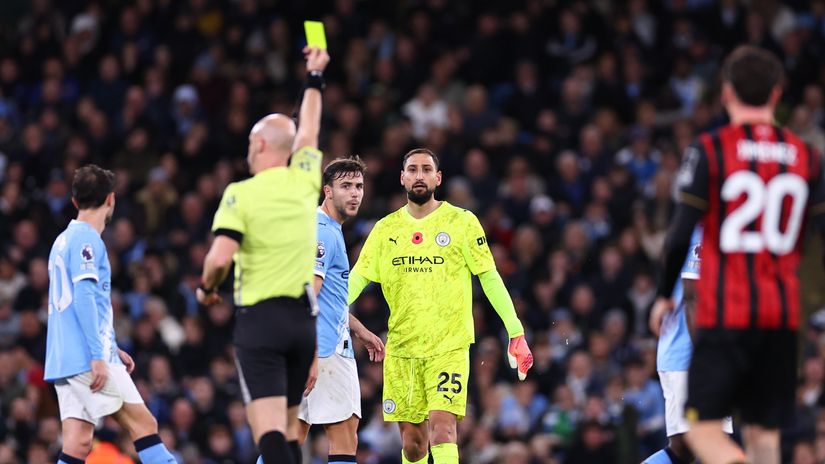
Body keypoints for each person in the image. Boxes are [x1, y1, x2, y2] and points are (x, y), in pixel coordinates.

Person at [652, 45, 825, 464]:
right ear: (778, 94)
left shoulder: (713, 152)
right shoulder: (807, 159)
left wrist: (661, 295)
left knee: (703, 442)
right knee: (762, 439)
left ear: (727, 93)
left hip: (725, 320)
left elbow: (679, 239)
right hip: (777, 318)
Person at [347, 148, 534, 464]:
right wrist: (319, 312)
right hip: (402, 349)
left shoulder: (461, 222)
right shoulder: (385, 230)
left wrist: (515, 330)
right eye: (412, 169)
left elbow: (489, 278)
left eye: (426, 169)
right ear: (402, 177)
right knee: (413, 445)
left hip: (449, 345)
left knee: (444, 429)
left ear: (438, 177)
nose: (419, 175)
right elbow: (356, 281)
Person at [196, 46, 330, 464]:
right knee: (290, 431)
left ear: (258, 143)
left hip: (262, 322)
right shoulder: (306, 181)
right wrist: (314, 78)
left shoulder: (241, 193)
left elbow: (219, 258)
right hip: (302, 323)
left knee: (268, 431)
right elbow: (309, 130)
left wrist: (206, 288)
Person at [256, 157, 386, 464]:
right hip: (324, 349)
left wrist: (358, 329)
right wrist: (311, 354)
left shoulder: (312, 226)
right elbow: (307, 298)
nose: (354, 194)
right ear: (327, 191)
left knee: (291, 433)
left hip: (309, 343)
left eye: (358, 187)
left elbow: (322, 297)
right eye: (345, 187)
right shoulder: (324, 234)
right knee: (344, 432)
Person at [44, 164, 176, 464]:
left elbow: (69, 308)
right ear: (111, 199)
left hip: (64, 358)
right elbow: (84, 297)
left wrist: (109, 344)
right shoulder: (87, 241)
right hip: (88, 358)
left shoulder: (62, 240)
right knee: (144, 426)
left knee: (77, 443)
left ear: (75, 201)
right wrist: (99, 354)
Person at [647, 227, 733, 464]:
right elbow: (693, 296)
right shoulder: (700, 231)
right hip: (687, 354)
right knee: (704, 444)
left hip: (690, 354)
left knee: (687, 449)